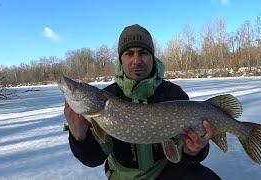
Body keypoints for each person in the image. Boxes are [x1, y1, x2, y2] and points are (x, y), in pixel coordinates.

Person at [64, 24, 221, 180]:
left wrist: (194, 151)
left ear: (152, 56)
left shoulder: (174, 94)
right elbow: (93, 159)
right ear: (121, 59)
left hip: (167, 171)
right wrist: (79, 137)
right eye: (129, 53)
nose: (136, 60)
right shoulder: (109, 96)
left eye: (143, 53)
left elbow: (189, 152)